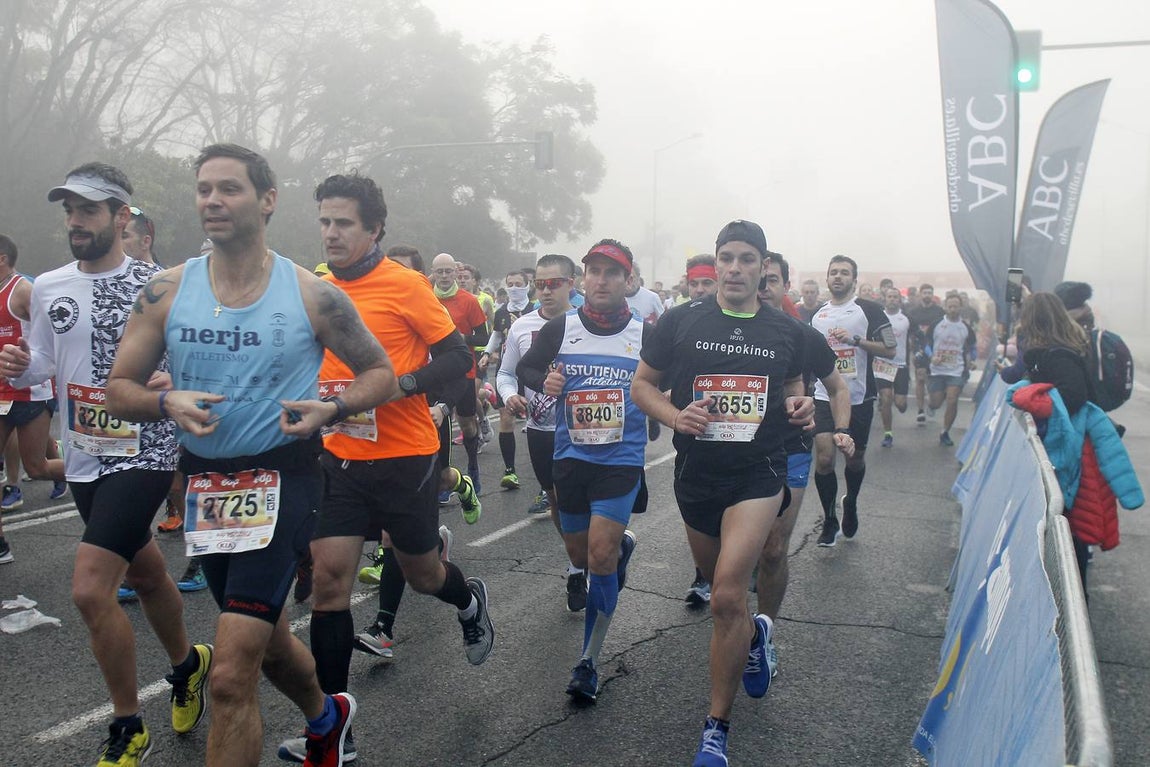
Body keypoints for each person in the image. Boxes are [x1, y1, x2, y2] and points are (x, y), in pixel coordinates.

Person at [105, 144, 394, 766]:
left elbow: (380, 373)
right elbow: (119, 387)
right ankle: (327, 716)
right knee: (265, 640)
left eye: (229, 188)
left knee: (231, 674)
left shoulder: (313, 295)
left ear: (266, 201)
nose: (213, 200)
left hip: (284, 478)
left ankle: (320, 721)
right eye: (204, 188)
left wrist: (334, 409)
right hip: (209, 488)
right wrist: (164, 403)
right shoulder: (166, 291)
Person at [272, 173, 492, 764]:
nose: (332, 233)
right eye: (324, 221)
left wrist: (399, 387)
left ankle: (468, 600)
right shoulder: (314, 289)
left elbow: (457, 357)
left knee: (422, 574)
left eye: (344, 222)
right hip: (340, 456)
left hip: (405, 456)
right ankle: (332, 732)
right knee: (328, 583)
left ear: (374, 229)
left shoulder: (406, 285)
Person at [1, 164, 206, 767]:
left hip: (145, 448)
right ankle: (189, 665)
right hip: (86, 454)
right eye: (69, 211)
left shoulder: (161, 285)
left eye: (88, 211)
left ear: (122, 217)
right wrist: (20, 364)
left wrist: (177, 378)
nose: (75, 222)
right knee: (145, 573)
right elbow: (44, 363)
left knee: (92, 590)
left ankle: (127, 725)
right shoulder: (50, 287)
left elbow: (199, 360)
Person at [631, 220, 816, 767]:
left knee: (728, 596)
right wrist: (673, 414)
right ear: (715, 264)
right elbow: (642, 386)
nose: (735, 268)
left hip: (758, 472)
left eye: (747, 260)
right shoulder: (681, 321)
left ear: (763, 269)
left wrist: (803, 408)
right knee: (720, 590)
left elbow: (793, 390)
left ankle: (716, 730)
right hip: (697, 476)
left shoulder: (786, 331)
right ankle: (755, 635)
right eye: (726, 258)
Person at [516, 239, 644, 703]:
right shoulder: (560, 328)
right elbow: (527, 369)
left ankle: (588, 660)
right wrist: (544, 381)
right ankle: (616, 548)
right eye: (594, 271)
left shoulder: (646, 334)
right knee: (580, 553)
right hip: (571, 458)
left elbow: (669, 382)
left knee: (601, 558)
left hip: (620, 460)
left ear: (628, 280)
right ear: (583, 279)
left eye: (613, 272)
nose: (602, 279)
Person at [1005, 292, 1143, 594]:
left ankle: (1070, 598)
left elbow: (1073, 394)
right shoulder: (1061, 349)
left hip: (1073, 449)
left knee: (1072, 525)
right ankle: (1068, 592)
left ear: (1033, 318)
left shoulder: (1057, 355)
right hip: (1075, 445)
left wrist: (1037, 399)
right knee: (1071, 522)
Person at [754, 254, 852, 659]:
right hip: (731, 453)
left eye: (771, 280)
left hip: (789, 448)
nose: (763, 286)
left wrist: (842, 430)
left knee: (774, 548)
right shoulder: (717, 331)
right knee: (727, 557)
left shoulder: (802, 334)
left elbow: (838, 387)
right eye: (759, 279)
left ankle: (763, 637)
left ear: (784, 285)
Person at [497, 254, 582, 606]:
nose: (546, 291)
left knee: (585, 500)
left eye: (554, 284)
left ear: (570, 284)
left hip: (585, 429)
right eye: (540, 284)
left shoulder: (587, 322)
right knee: (557, 500)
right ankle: (578, 562)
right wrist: (511, 395)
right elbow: (505, 373)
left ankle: (590, 560)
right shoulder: (521, 327)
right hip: (541, 428)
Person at [810, 255, 896, 547]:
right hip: (824, 394)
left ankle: (851, 502)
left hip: (858, 396)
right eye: (833, 272)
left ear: (853, 279)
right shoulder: (817, 315)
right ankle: (829, 519)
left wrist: (857, 340)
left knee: (854, 458)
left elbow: (890, 349)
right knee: (823, 457)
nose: (838, 277)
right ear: (827, 278)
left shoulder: (869, 310)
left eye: (844, 273)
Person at [0, 235, 66, 559]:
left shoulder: (23, 290)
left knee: (37, 467)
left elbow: (52, 334)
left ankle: (88, 473)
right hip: (1, 392)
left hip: (32, 392)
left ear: (2, 258)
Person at [431, 253, 489, 493]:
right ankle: (444, 478)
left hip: (463, 371)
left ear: (456, 272)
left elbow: (483, 337)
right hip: (434, 372)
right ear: (433, 273)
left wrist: (458, 337)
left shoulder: (469, 301)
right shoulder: (424, 298)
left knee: (466, 423)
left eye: (448, 271)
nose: (444, 276)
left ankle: (473, 466)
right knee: (439, 423)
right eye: (440, 272)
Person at [480, 270, 532, 491]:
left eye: (518, 284)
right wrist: (485, 353)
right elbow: (497, 335)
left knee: (537, 419)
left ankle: (547, 470)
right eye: (509, 284)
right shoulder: (502, 312)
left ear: (527, 286)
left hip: (532, 370)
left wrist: (520, 323)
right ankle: (510, 470)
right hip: (507, 370)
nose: (513, 288)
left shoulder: (535, 309)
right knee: (505, 415)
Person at [926, 293, 976, 447]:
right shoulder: (936, 325)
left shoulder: (965, 327)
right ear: (945, 307)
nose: (953, 309)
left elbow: (973, 347)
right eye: (950, 306)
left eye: (956, 306)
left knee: (952, 399)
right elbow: (926, 344)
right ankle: (932, 405)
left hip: (956, 369)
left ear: (960, 307)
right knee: (936, 401)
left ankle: (945, 432)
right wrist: (931, 357)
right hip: (937, 369)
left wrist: (972, 360)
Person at [876, 286, 910, 447]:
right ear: (885, 299)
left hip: (901, 365)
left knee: (900, 403)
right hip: (882, 364)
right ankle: (888, 433)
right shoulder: (878, 317)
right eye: (889, 297)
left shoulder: (906, 319)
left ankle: (902, 404)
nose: (892, 299)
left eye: (895, 297)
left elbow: (916, 337)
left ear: (899, 300)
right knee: (886, 397)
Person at [907, 284, 944, 424]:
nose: (927, 295)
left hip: (936, 348)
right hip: (920, 348)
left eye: (930, 292)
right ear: (920, 295)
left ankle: (932, 403)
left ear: (932, 295)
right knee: (920, 378)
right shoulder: (913, 312)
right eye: (925, 293)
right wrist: (912, 349)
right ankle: (920, 410)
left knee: (932, 380)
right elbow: (910, 332)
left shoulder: (940, 311)